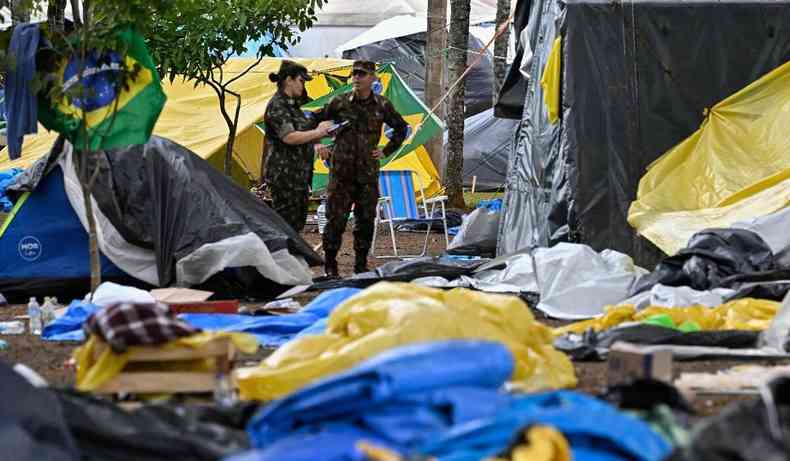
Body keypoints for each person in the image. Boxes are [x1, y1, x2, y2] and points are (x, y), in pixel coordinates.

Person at [314, 60, 409, 277]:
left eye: (362, 74)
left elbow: (401, 128)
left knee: (365, 220)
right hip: (341, 174)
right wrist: (318, 143)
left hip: (367, 174)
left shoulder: (382, 105)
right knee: (335, 220)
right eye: (354, 74)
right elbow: (313, 120)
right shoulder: (339, 102)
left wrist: (387, 150)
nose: (356, 78)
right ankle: (330, 265)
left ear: (373, 78)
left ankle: (360, 265)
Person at [263, 60, 334, 232]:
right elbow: (290, 137)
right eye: (301, 81)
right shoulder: (278, 105)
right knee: (287, 226)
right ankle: (283, 257)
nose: (303, 86)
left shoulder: (298, 104)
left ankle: (293, 257)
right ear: (289, 80)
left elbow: (310, 124)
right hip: (284, 175)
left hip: (300, 174)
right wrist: (319, 133)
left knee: (297, 224)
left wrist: (323, 134)